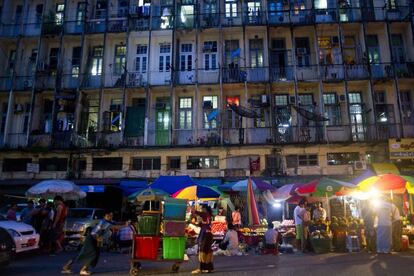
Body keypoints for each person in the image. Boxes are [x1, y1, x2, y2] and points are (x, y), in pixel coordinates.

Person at [192, 205, 214, 274]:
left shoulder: (205, 214)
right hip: (209, 234)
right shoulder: (209, 215)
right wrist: (200, 224)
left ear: (205, 209)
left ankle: (201, 268)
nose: (201, 210)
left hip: (206, 234)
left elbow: (197, 212)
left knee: (202, 250)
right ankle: (209, 268)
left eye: (202, 209)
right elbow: (205, 224)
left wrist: (192, 209)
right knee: (208, 251)